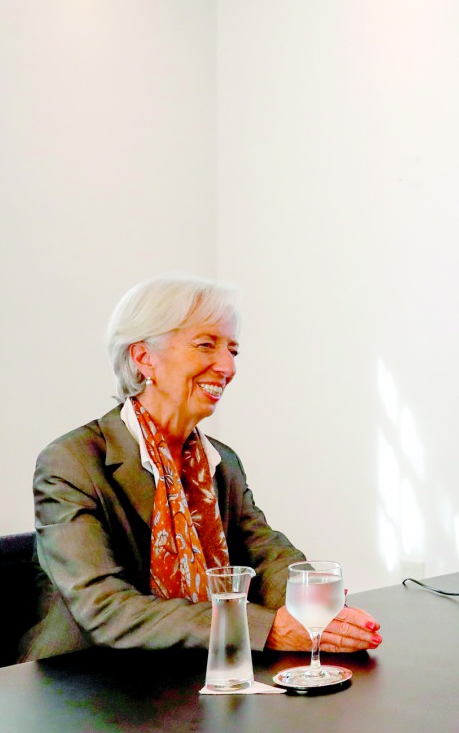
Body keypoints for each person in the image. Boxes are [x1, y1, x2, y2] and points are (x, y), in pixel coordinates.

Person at [20, 277, 382, 660]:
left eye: (233, 350)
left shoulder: (221, 461)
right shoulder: (72, 461)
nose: (227, 366)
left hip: (193, 669)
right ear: (144, 358)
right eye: (206, 345)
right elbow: (105, 608)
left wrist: (314, 604)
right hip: (86, 684)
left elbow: (263, 549)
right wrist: (267, 629)